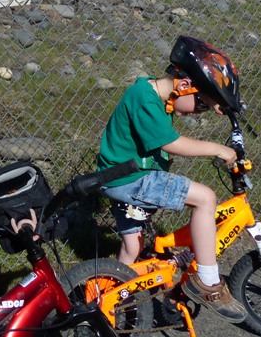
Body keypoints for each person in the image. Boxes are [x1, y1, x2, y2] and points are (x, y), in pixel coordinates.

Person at [96, 35, 247, 323]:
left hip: (116, 178)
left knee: (133, 247)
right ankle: (208, 281)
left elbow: (184, 106)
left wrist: (217, 101)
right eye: (201, 104)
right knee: (205, 198)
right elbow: (173, 144)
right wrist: (218, 149)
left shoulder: (157, 94)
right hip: (131, 179)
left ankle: (107, 301)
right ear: (184, 85)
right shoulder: (144, 100)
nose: (201, 110)